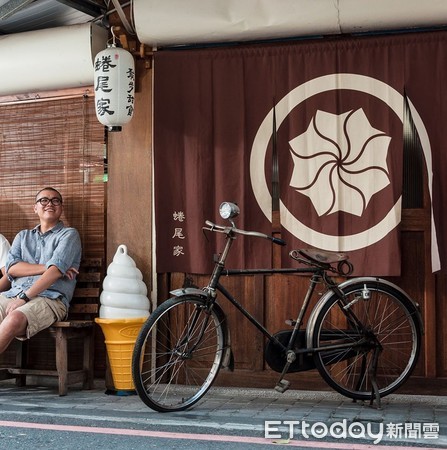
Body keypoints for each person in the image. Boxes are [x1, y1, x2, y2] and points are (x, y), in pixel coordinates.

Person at [0, 187, 82, 354]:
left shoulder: (69, 235)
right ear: (35, 208)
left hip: (50, 298)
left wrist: (24, 297)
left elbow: (55, 273)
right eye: (43, 200)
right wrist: (49, 266)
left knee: (14, 319)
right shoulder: (23, 236)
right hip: (12, 294)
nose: (49, 204)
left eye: (55, 200)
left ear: (61, 207)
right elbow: (12, 268)